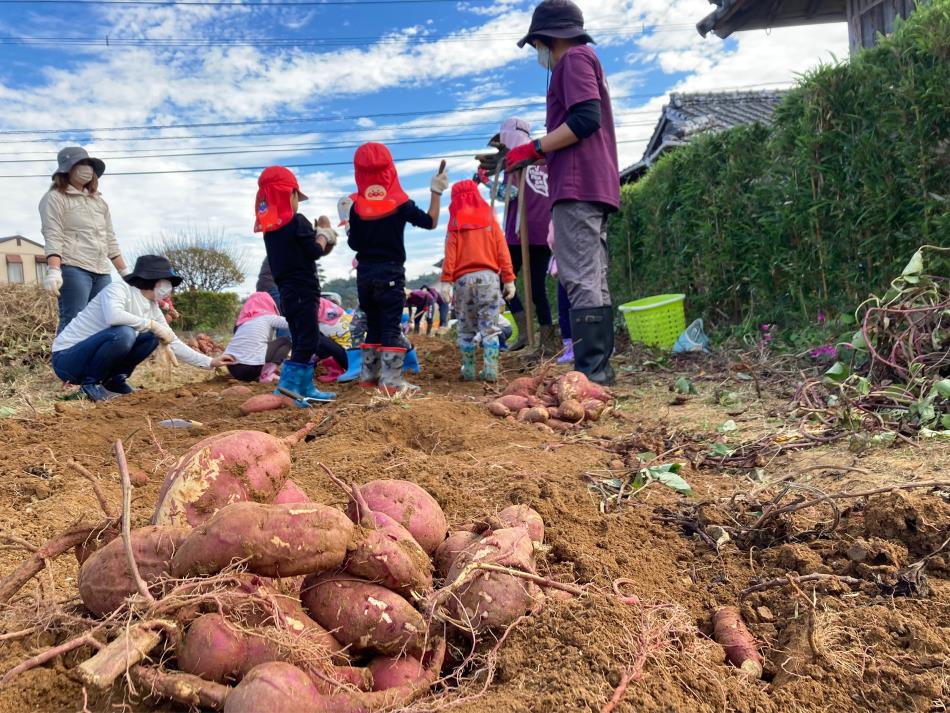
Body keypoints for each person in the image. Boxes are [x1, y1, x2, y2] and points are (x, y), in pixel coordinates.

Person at [507, 0, 620, 385]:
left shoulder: (572, 61)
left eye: (537, 43)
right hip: (592, 181)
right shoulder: (587, 60)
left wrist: (535, 147)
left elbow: (584, 119)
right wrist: (541, 156)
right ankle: (598, 369)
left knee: (580, 276)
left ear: (545, 38)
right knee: (593, 275)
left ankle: (591, 373)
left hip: (577, 185)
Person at [50, 255, 233, 401]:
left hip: (88, 359)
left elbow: (172, 340)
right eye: (166, 281)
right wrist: (151, 324)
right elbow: (114, 316)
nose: (169, 287)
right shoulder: (118, 290)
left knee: (151, 337)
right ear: (153, 279)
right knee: (124, 333)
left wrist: (210, 362)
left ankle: (115, 381)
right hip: (67, 360)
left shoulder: (152, 306)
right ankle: (91, 385)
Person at [347, 142, 447, 394]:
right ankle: (391, 383)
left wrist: (352, 228)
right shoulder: (399, 203)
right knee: (391, 327)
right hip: (390, 272)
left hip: (364, 276)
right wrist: (436, 191)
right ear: (390, 169)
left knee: (373, 325)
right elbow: (431, 222)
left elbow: (354, 243)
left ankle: (369, 378)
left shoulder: (357, 207)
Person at [255, 165, 340, 406]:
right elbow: (314, 251)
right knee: (308, 339)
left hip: (287, 293)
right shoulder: (298, 222)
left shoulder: (270, 231)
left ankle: (304, 386)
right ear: (289, 195)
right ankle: (289, 389)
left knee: (303, 337)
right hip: (304, 290)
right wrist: (323, 234)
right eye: (296, 197)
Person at [39, 146, 131, 334]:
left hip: (102, 271)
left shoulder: (99, 202)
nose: (86, 169)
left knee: (102, 321)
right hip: (74, 268)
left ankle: (94, 364)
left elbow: (109, 239)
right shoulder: (55, 198)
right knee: (74, 321)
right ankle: (64, 363)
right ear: (67, 169)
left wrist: (126, 273)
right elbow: (53, 234)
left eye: (88, 164)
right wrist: (54, 270)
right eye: (80, 164)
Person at [437, 180, 516, 382]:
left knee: (465, 326)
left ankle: (469, 370)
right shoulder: (490, 221)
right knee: (489, 326)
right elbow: (502, 251)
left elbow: (450, 254)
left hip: (463, 281)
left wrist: (446, 280)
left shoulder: (455, 224)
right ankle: (491, 370)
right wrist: (508, 279)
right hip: (489, 278)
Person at [494, 118, 559, 359]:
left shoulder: (515, 158)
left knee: (503, 280)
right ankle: (545, 341)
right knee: (537, 289)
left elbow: (508, 194)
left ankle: (525, 332)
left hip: (519, 232)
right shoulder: (540, 155)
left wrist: (486, 180)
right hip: (544, 231)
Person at [224, 292, 291, 383]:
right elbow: (291, 323)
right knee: (285, 341)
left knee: (261, 345)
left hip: (233, 369)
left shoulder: (242, 323)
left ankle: (260, 372)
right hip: (251, 368)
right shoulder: (268, 317)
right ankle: (266, 374)